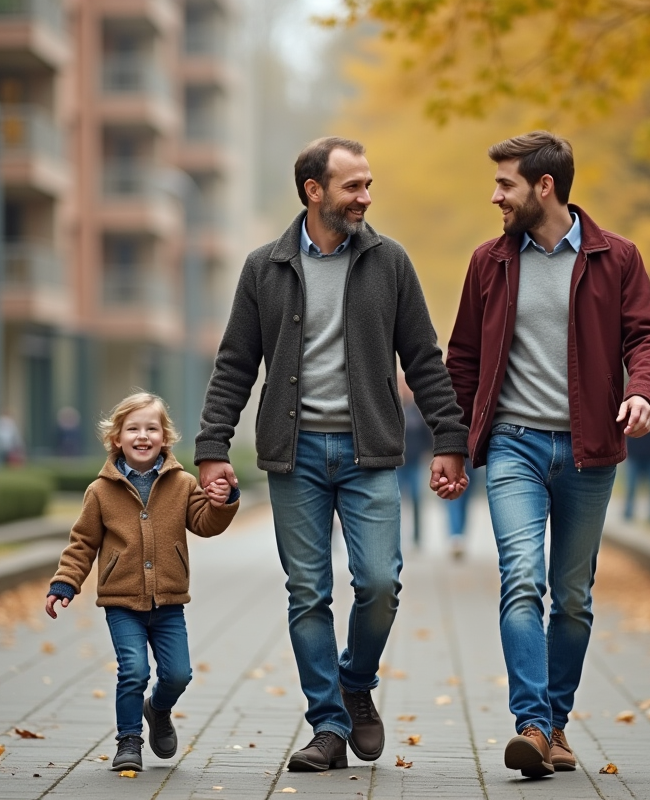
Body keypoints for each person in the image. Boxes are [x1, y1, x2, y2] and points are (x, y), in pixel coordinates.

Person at [193, 137, 470, 772]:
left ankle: (356, 679)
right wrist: (212, 448)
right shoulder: (265, 268)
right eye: (353, 187)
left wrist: (450, 441)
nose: (365, 197)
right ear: (314, 191)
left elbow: (424, 358)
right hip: (294, 458)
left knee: (379, 584)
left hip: (368, 451)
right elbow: (235, 364)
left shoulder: (389, 262)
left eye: (368, 185)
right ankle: (328, 725)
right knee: (307, 593)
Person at [447, 131, 650, 778]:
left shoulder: (617, 258)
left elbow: (648, 336)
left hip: (589, 450)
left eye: (505, 185)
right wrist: (452, 445)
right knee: (522, 578)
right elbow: (461, 359)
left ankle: (557, 726)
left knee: (573, 596)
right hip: (514, 443)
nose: (495, 197)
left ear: (544, 186)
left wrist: (644, 395)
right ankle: (533, 723)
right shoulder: (489, 262)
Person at [44, 391, 239, 772]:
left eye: (152, 428)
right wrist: (64, 583)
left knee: (178, 674)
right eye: (133, 428)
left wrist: (223, 499)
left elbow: (205, 524)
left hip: (168, 602)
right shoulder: (100, 491)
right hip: (122, 603)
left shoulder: (182, 483)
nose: (143, 435)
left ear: (165, 438)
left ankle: (158, 708)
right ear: (116, 438)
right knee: (132, 670)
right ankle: (128, 741)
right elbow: (82, 543)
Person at [397, 374, 432, 549]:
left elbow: (427, 434)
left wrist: (429, 453)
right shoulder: (394, 409)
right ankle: (395, 536)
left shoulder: (418, 411)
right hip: (396, 463)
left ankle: (417, 537)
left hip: (415, 462)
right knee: (395, 501)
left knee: (417, 498)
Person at [445, 459, 478, 559]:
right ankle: (456, 534)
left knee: (465, 500)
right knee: (454, 494)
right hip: (453, 456)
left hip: (470, 460)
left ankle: (459, 534)